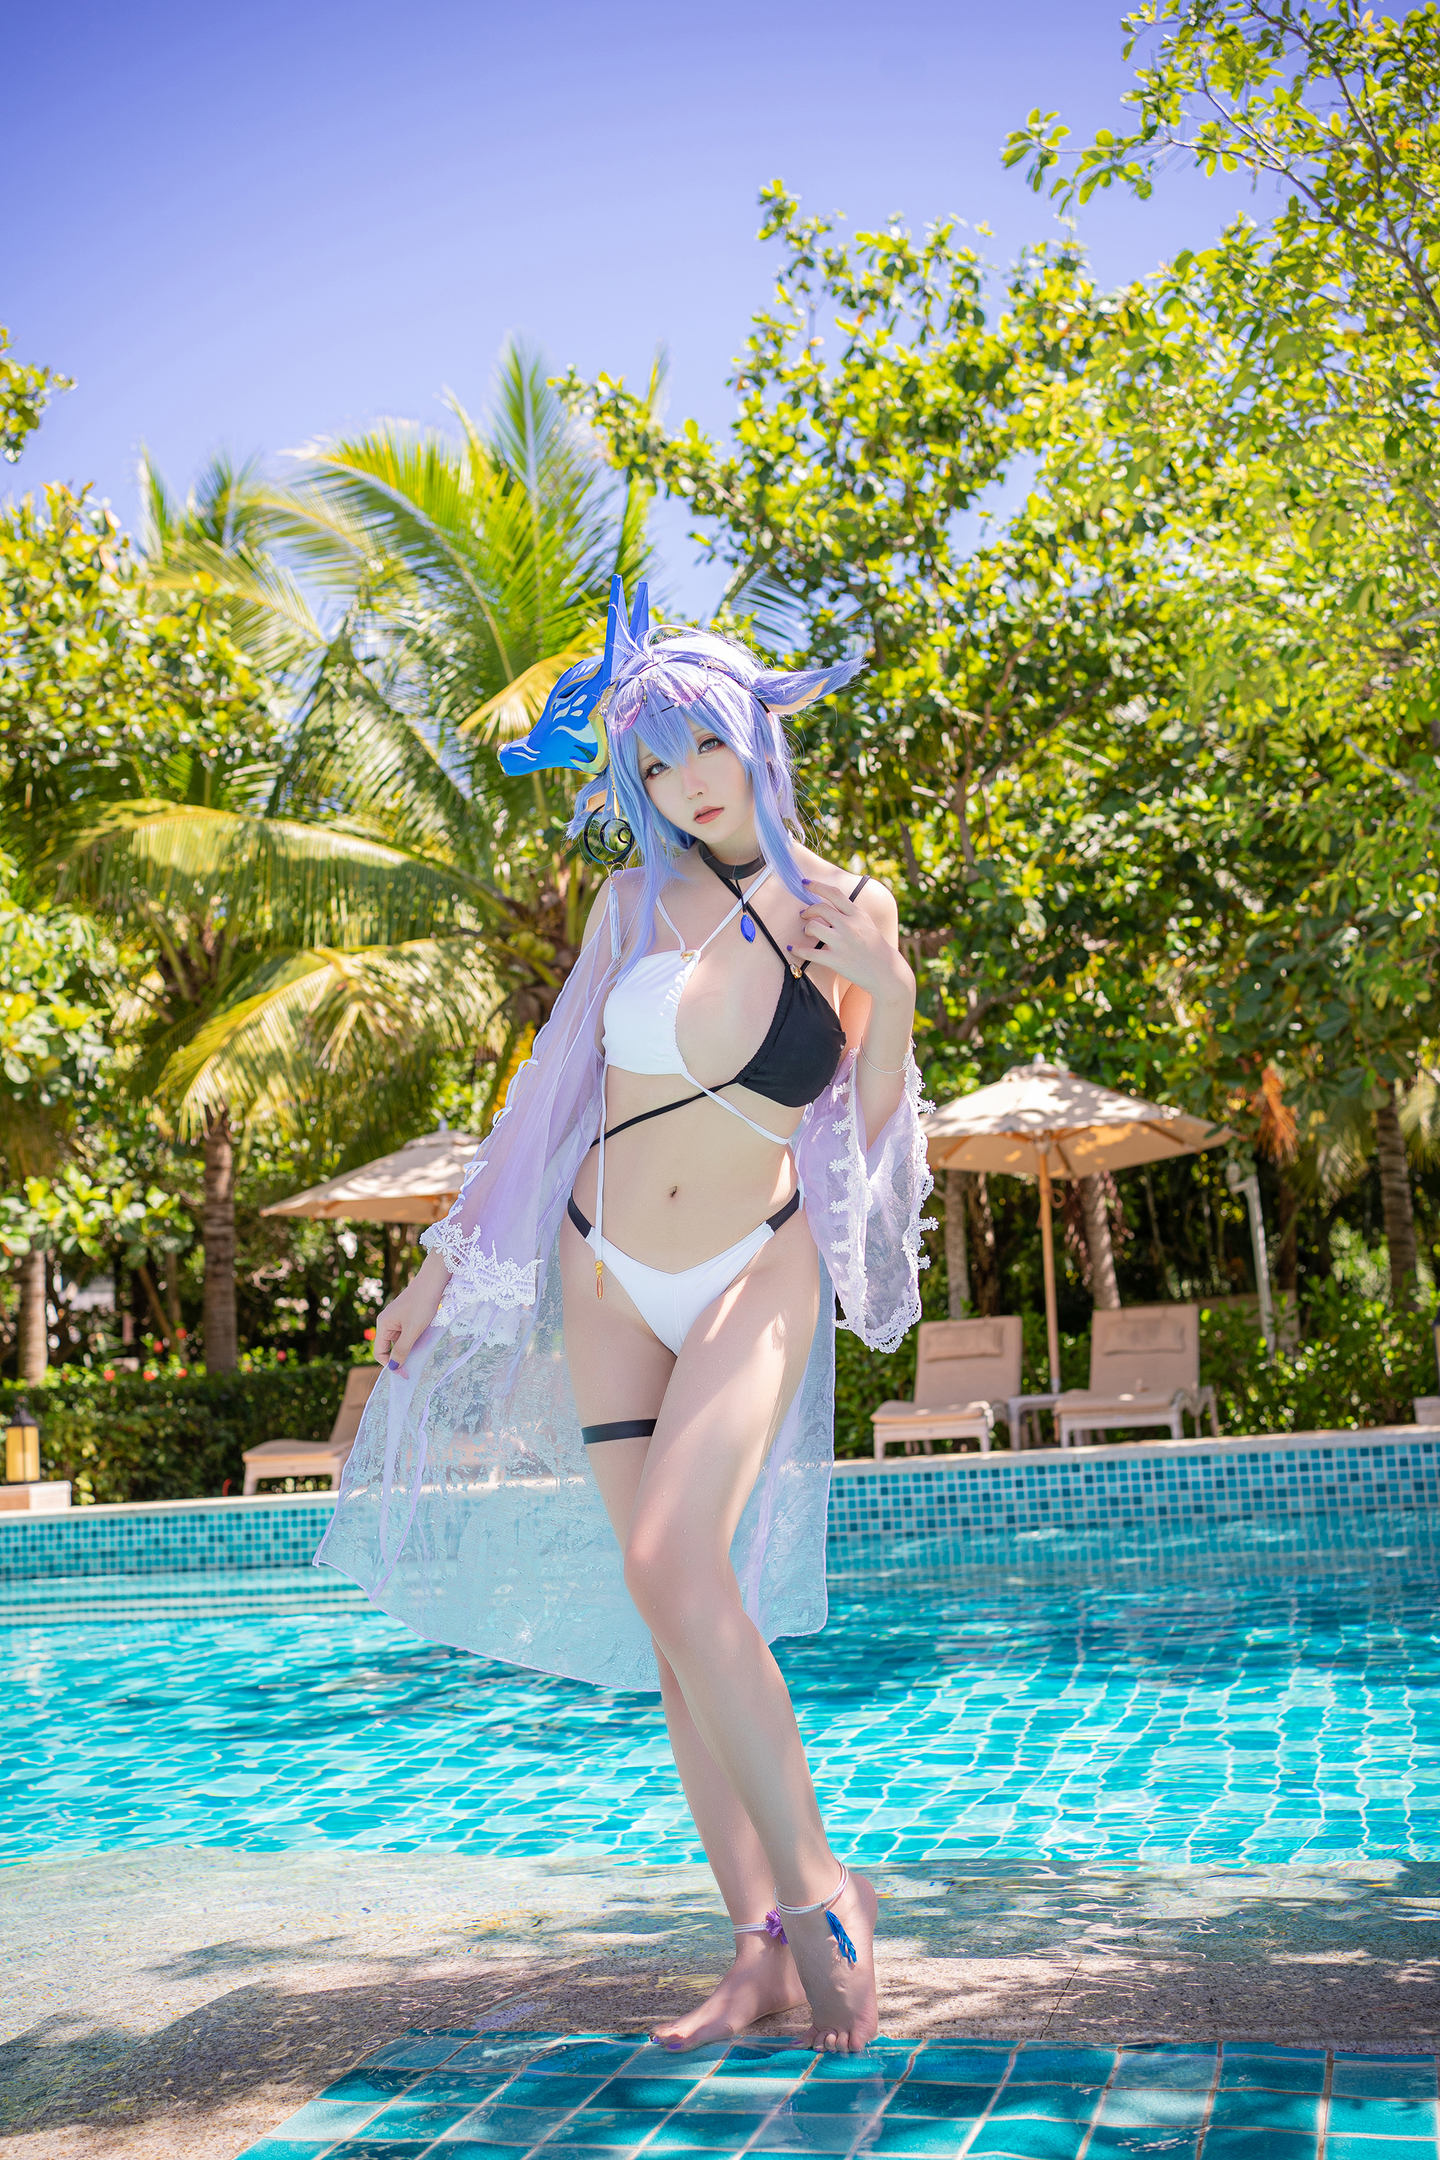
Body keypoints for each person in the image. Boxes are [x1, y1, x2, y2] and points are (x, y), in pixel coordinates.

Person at [316, 584, 930, 2056]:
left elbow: (869, 1133)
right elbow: (549, 1099)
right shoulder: (630, 904)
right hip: (603, 1273)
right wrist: (442, 1266)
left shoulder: (845, 909)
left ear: (758, 737)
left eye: (704, 745)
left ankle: (825, 1893)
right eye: (653, 763)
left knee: (672, 1559)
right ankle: (755, 1948)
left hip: (754, 1263)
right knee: (671, 1624)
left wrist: (893, 995)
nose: (685, 783)